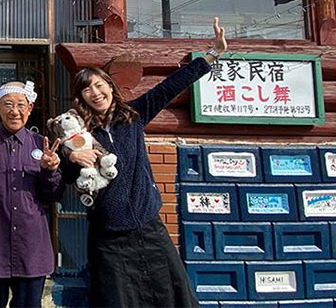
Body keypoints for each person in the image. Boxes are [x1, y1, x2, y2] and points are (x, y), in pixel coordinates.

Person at [58, 17, 228, 308]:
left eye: (99, 85)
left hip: (148, 226)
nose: (95, 93)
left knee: (171, 296)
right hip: (108, 237)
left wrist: (213, 54)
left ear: (110, 87)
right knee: (117, 301)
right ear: (81, 97)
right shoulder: (79, 133)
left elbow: (169, 87)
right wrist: (72, 157)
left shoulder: (133, 116)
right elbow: (65, 173)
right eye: (87, 89)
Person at [0, 81, 64, 308]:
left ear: (30, 108)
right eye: (8, 104)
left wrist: (50, 171)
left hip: (31, 248)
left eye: (21, 105)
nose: (14, 111)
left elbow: (53, 196)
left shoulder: (41, 145)